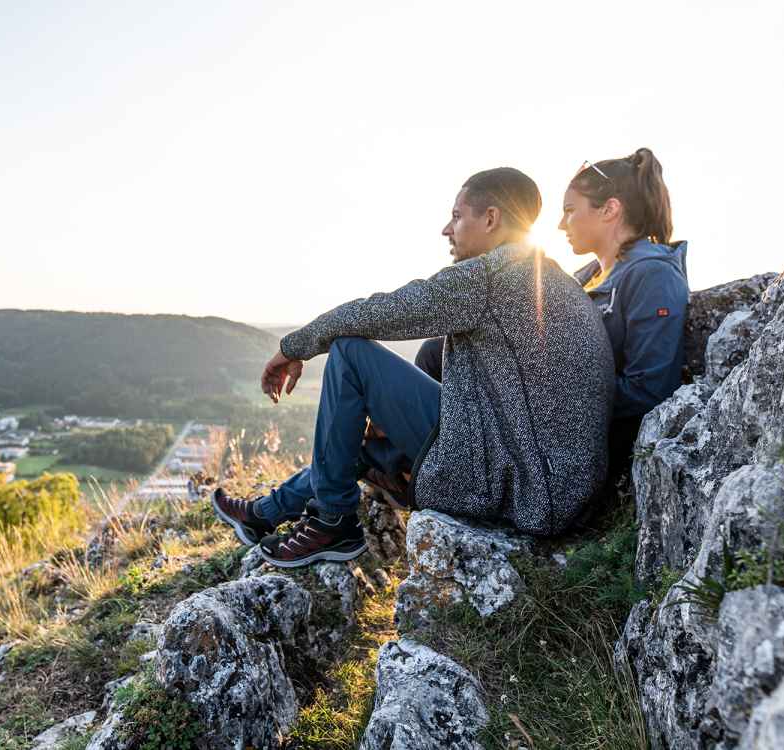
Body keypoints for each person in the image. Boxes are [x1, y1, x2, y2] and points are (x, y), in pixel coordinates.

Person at [213, 168, 616, 567]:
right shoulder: (546, 276)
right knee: (418, 363)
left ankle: (332, 522)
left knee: (351, 353)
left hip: (534, 489)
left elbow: (384, 311)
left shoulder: (495, 276)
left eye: (458, 216)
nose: (447, 229)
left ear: (491, 219)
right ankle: (266, 513)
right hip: (554, 482)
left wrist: (293, 347)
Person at [559, 148, 689, 488]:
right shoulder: (584, 278)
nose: (561, 225)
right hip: (552, 426)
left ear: (610, 209)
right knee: (436, 352)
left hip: (586, 448)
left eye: (570, 211)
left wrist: (552, 396)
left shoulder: (652, 275)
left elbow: (649, 390)